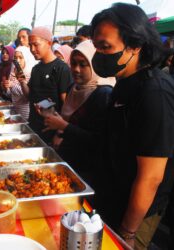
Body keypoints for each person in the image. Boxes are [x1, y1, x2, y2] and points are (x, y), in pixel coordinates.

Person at [90, 3, 174, 249]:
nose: (99, 55)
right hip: (113, 197)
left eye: (106, 47)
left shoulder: (154, 93)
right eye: (96, 47)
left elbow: (151, 177)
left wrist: (127, 232)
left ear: (135, 45)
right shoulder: (124, 82)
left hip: (138, 211)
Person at [40, 40, 112, 183]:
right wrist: (58, 124)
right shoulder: (74, 87)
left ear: (95, 64)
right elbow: (71, 121)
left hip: (87, 170)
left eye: (83, 64)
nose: (76, 69)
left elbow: (99, 141)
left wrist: (63, 126)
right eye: (73, 63)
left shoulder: (103, 94)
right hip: (68, 161)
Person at [18, 26, 72, 143]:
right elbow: (30, 97)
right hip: (34, 126)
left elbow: (67, 105)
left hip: (52, 130)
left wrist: (60, 132)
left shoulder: (61, 69)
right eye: (30, 45)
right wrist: (22, 82)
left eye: (36, 45)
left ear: (49, 43)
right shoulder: (36, 69)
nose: (32, 49)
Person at [2, 46, 37, 120]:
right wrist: (5, 87)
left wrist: (12, 85)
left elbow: (27, 95)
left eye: (20, 57)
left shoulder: (31, 73)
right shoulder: (14, 71)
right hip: (15, 110)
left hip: (26, 112)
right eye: (15, 58)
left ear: (26, 59)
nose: (17, 60)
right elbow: (10, 94)